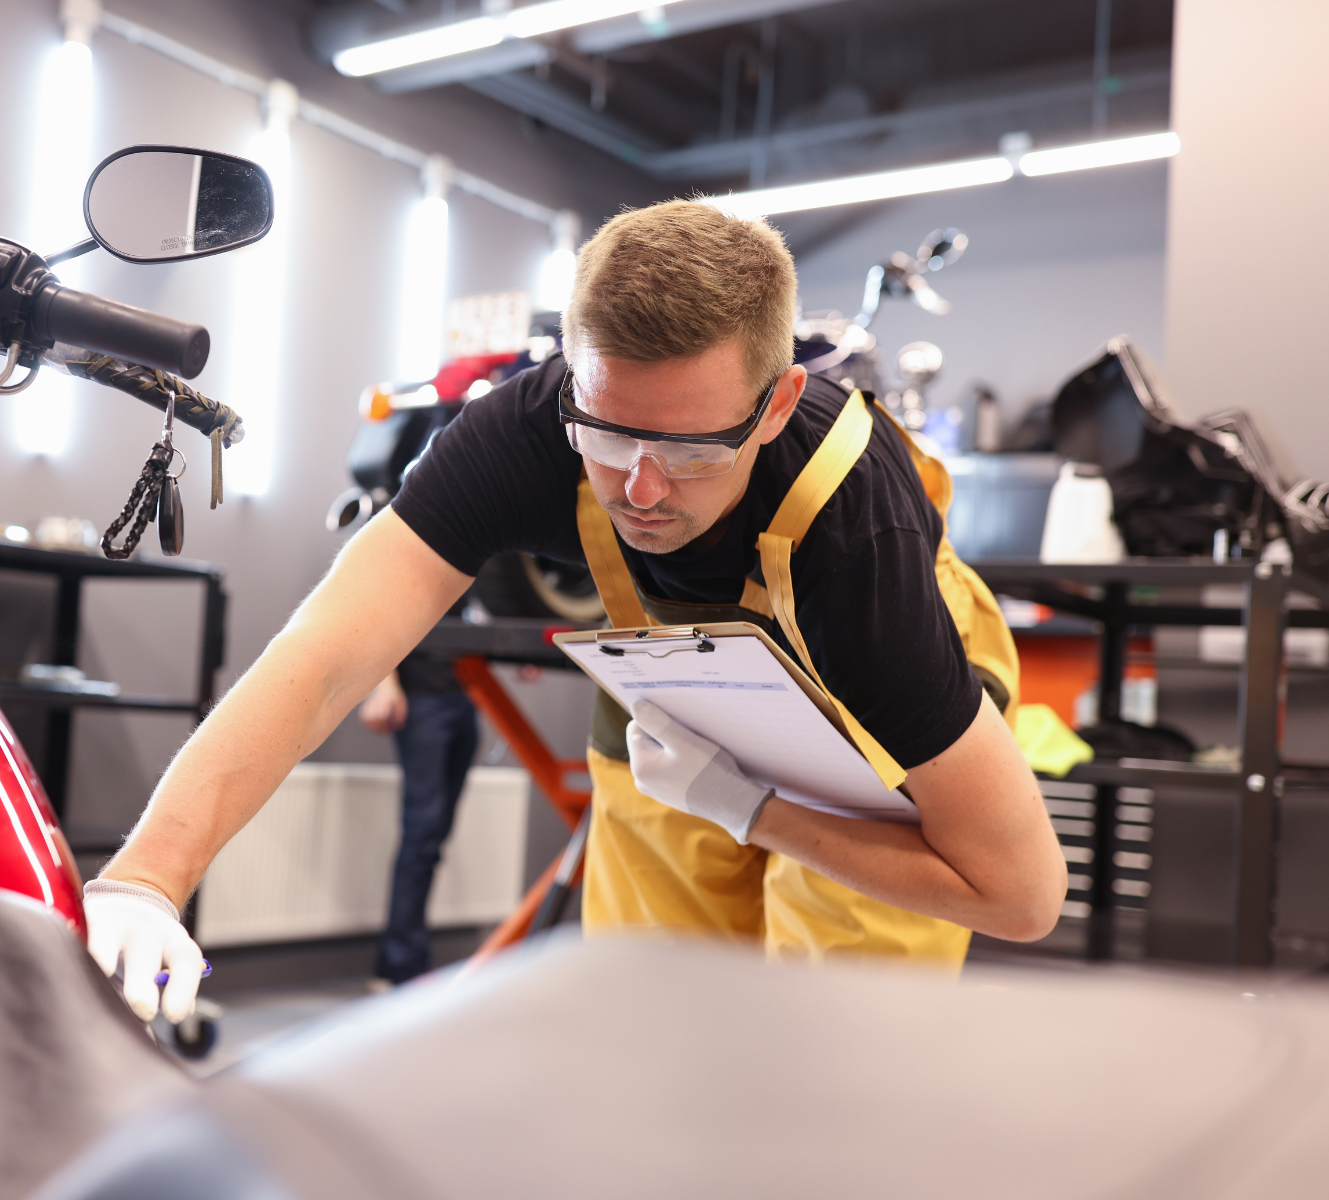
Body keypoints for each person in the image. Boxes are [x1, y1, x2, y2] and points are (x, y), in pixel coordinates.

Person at [81, 199, 1066, 1024]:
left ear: (772, 408)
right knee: (651, 1034)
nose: (637, 489)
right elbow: (325, 658)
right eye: (604, 434)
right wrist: (149, 877)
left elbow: (1020, 896)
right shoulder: (517, 432)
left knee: (826, 1058)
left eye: (687, 451)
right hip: (677, 708)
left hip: (859, 735)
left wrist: (757, 812)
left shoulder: (857, 550)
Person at [357, 652, 478, 986]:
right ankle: (401, 967)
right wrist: (385, 685)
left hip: (466, 695)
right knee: (422, 835)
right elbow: (384, 618)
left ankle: (404, 961)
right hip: (421, 699)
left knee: (433, 838)